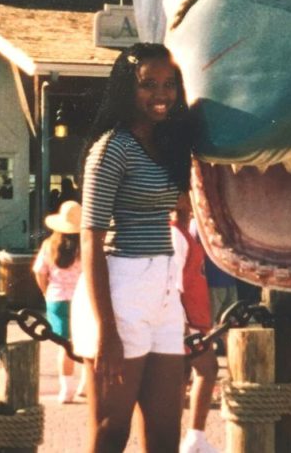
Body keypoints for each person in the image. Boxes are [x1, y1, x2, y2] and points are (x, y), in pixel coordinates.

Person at [71, 42, 192, 452]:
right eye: (149, 85)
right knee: (111, 429)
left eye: (169, 84)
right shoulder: (111, 149)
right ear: (127, 88)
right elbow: (91, 236)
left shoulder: (169, 144)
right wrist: (106, 330)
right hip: (120, 288)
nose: (162, 95)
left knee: (164, 435)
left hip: (162, 286)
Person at [170, 195, 220, 453]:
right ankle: (192, 438)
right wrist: (183, 327)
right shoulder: (175, 235)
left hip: (193, 319)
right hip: (187, 321)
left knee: (187, 376)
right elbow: (174, 285)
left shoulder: (184, 231)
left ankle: (190, 437)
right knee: (204, 370)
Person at [33, 200, 85, 403]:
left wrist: (47, 292)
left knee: (65, 345)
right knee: (85, 343)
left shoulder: (49, 245)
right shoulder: (84, 246)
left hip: (56, 298)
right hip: (81, 300)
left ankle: (66, 390)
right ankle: (84, 385)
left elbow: (39, 272)